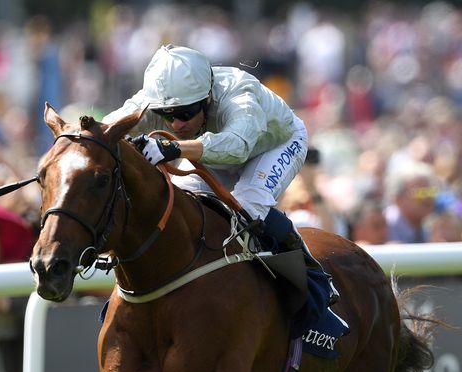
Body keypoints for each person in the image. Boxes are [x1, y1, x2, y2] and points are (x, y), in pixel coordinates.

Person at [102, 44, 336, 334]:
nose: (175, 122)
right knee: (178, 205)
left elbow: (237, 147)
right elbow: (104, 129)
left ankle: (313, 279)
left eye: (185, 113)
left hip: (272, 145)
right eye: (166, 114)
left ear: (208, 97)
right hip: (210, 151)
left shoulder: (239, 93)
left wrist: (173, 146)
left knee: (248, 206)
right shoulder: (156, 98)